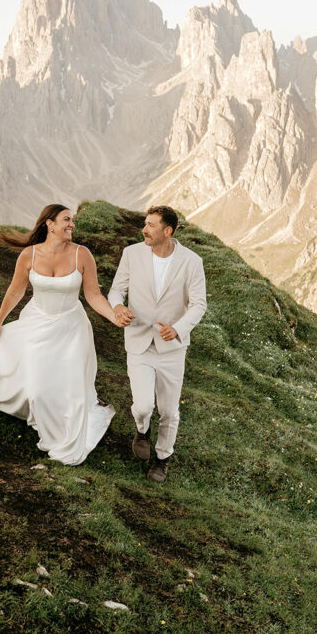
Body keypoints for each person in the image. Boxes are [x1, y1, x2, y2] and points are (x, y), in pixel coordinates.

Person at [0, 204, 121, 465]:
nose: (72, 225)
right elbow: (16, 291)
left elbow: (94, 295)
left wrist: (114, 317)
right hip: (36, 325)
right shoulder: (29, 255)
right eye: (66, 220)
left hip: (71, 331)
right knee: (31, 388)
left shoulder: (82, 255)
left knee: (54, 388)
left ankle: (60, 418)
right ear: (50, 224)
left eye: (72, 221)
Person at [108, 206, 207, 483]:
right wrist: (117, 306)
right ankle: (142, 430)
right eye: (145, 223)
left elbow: (199, 305)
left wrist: (177, 329)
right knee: (142, 406)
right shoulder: (132, 254)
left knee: (169, 410)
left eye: (151, 225)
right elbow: (117, 289)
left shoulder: (192, 261)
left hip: (172, 348)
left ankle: (162, 459)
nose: (144, 229)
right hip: (138, 340)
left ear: (168, 231)